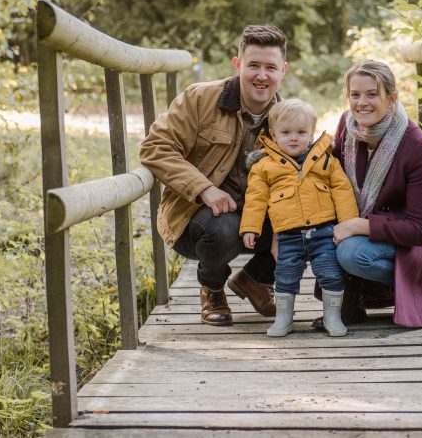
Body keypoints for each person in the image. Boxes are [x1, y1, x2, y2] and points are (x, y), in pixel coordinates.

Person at [139, 26, 287, 326]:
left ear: (283, 70)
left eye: (270, 67)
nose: (262, 75)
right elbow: (155, 147)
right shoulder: (199, 99)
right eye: (253, 66)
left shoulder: (285, 117)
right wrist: (203, 188)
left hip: (254, 217)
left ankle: (255, 279)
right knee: (223, 228)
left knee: (313, 221)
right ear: (237, 65)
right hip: (196, 217)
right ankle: (213, 289)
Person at [329, 60, 422, 328]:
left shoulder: (415, 144)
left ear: (391, 98)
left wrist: (360, 225)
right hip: (377, 232)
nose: (362, 103)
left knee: (352, 253)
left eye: (372, 94)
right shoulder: (347, 126)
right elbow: (328, 173)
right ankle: (355, 298)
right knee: (317, 238)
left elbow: (421, 230)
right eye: (355, 94)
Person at [239, 99, 359, 337]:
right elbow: (255, 198)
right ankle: (284, 320)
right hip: (288, 235)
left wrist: (348, 225)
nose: (294, 138)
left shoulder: (325, 160)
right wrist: (250, 228)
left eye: (301, 132)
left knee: (330, 273)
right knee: (285, 276)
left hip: (323, 231)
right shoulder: (264, 166)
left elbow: (342, 191)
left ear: (312, 133)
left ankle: (332, 318)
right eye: (286, 133)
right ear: (273, 134)